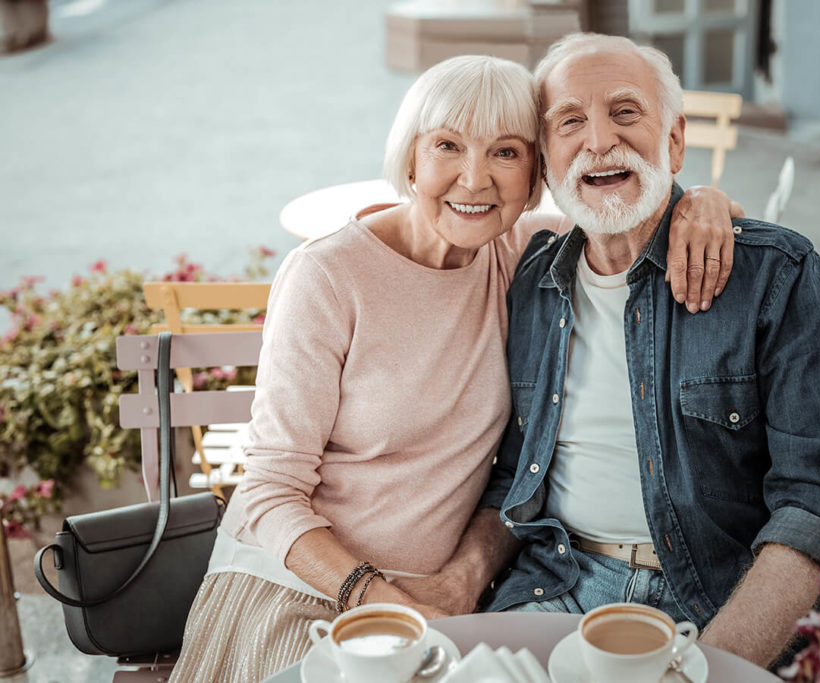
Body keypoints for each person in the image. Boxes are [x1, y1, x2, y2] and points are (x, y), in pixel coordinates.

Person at [169, 54, 742, 682]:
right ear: (410, 158)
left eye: (505, 152)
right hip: (302, 590)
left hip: (447, 601)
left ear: (535, 176)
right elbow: (267, 490)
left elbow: (635, 205)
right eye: (448, 145)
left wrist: (704, 203)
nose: (475, 181)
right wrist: (377, 600)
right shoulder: (328, 277)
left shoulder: (521, 253)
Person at [466, 33, 820, 670]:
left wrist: (715, 662)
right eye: (570, 121)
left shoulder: (775, 273)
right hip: (560, 582)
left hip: (722, 594)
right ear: (545, 162)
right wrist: (453, 586)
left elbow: (819, 502)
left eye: (625, 113)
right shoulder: (533, 280)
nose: (599, 140)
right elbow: (515, 468)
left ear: (676, 141)